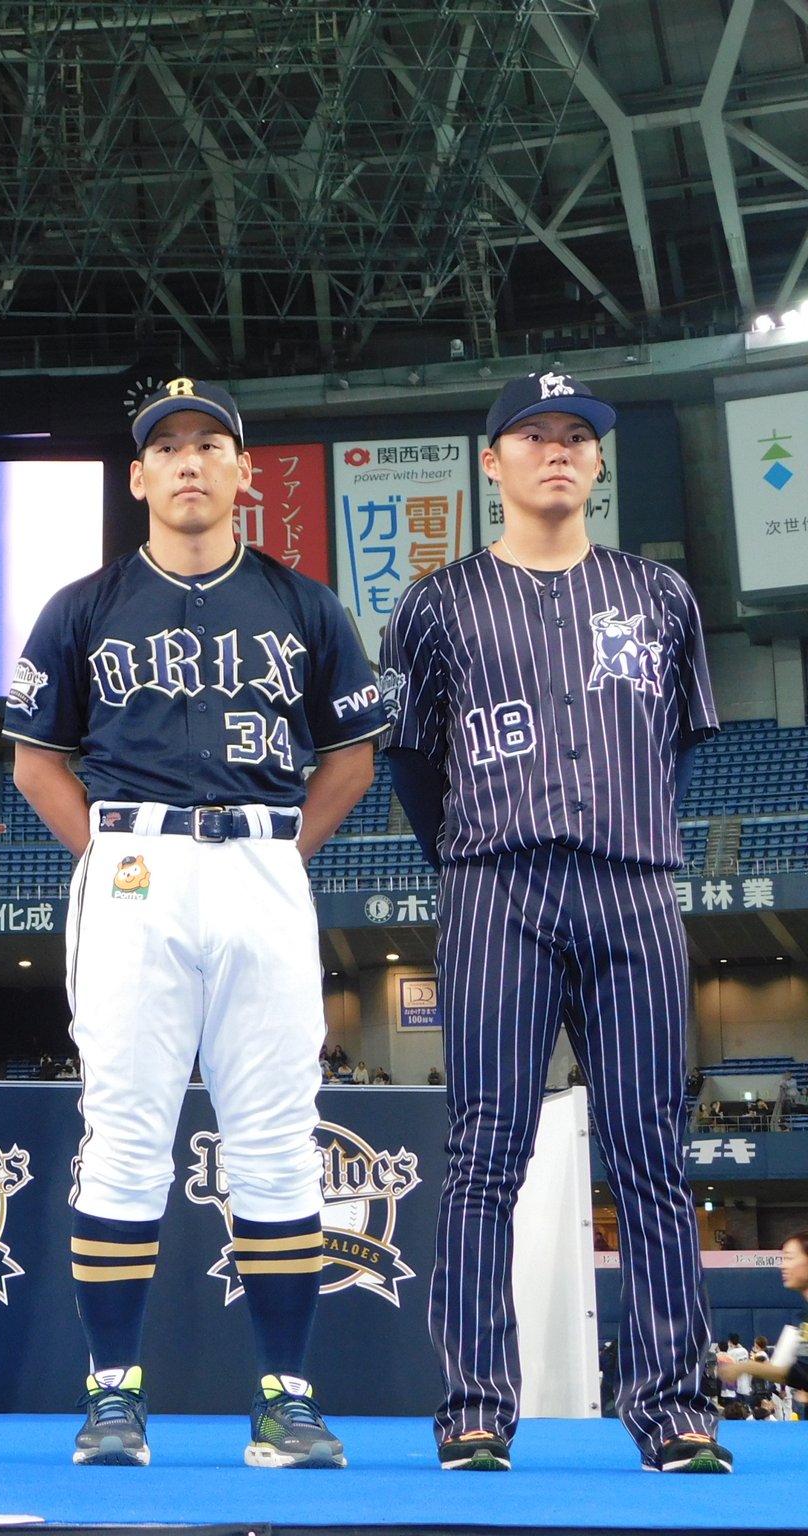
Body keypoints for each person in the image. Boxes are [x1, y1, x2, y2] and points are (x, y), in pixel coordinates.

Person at [4, 378, 388, 1470]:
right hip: (133, 860)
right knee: (124, 1138)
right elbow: (36, 761)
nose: (183, 462)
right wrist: (119, 860)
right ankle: (112, 1396)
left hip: (262, 860)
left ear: (239, 472)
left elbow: (350, 757)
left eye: (205, 445)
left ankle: (283, 1399)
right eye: (163, 447)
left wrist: (276, 858)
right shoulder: (79, 605)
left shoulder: (305, 603)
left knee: (273, 1145)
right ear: (134, 477)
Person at [380, 369, 727, 1473]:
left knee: (650, 1157)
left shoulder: (658, 598)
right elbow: (408, 762)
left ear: (596, 459)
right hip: (494, 886)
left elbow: (669, 744)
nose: (556, 451)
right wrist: (476, 850)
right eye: (532, 436)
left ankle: (672, 1408)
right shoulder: (435, 606)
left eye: (575, 435)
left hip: (631, 883)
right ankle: (475, 1406)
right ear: (492, 464)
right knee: (486, 1152)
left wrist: (611, 822)